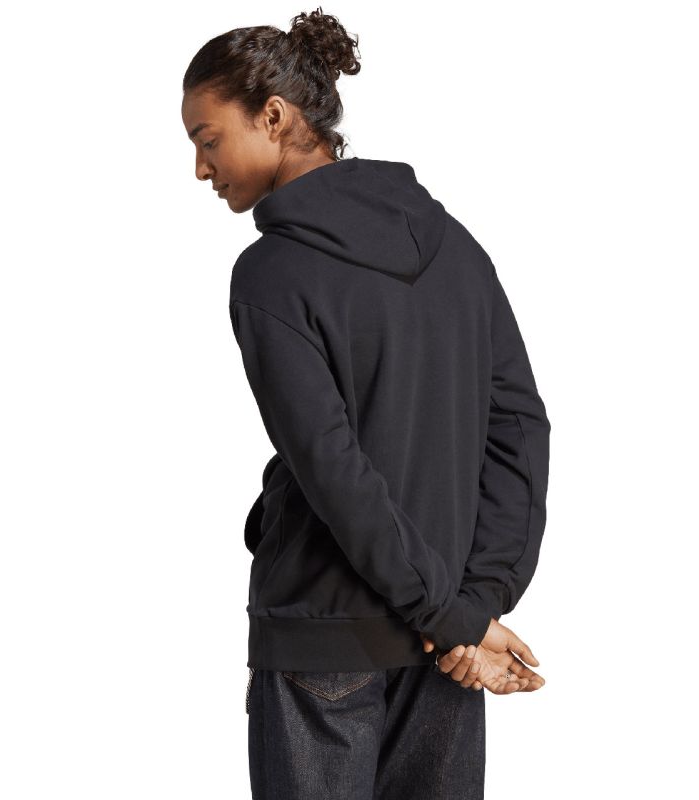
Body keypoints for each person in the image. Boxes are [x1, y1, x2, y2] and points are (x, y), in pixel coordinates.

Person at [181, 8, 551, 799]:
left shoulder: (271, 275)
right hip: (444, 650)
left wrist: (461, 615)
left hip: (325, 640)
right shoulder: (456, 247)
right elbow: (520, 428)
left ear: (273, 117)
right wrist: (473, 606)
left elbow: (333, 471)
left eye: (208, 140)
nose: (200, 169)